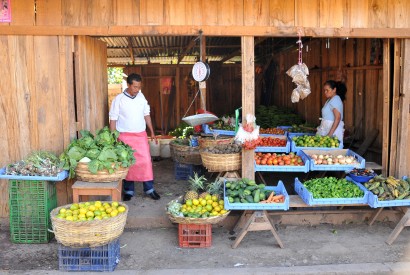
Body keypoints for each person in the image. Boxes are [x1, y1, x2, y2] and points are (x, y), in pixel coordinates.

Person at [109, 73, 160, 201]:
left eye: (139, 87)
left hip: (140, 135)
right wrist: (112, 138)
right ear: (128, 85)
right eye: (135, 87)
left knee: (146, 162)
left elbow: (146, 114)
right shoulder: (119, 99)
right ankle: (129, 191)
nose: (137, 90)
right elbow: (113, 119)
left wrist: (152, 132)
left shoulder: (141, 97)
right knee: (128, 164)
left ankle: (149, 189)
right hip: (124, 136)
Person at [316, 80, 347, 147]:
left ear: (334, 90)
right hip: (327, 127)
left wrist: (330, 134)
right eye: (324, 90)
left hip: (332, 129)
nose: (325, 92)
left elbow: (338, 118)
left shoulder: (336, 99)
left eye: (327, 90)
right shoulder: (330, 99)